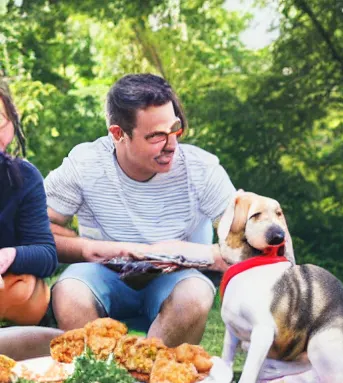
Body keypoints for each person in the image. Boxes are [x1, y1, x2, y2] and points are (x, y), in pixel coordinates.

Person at [45, 73, 236, 347]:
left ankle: (154, 375)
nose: (171, 145)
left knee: (195, 294)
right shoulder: (84, 164)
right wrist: (86, 247)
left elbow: (246, 241)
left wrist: (174, 251)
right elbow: (38, 230)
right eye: (156, 136)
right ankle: (104, 377)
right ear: (118, 134)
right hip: (103, 273)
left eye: (175, 129)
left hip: (175, 277)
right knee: (69, 292)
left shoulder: (202, 169)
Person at [0, 83, 58, 329]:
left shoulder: (24, 177)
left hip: (17, 303)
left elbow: (46, 254)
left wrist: (9, 255)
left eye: (1, 121)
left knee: (24, 290)